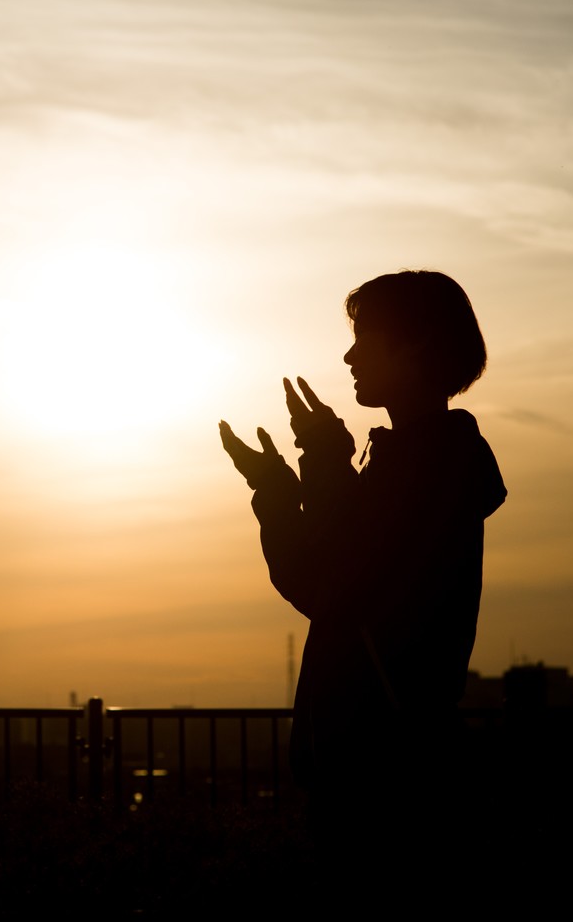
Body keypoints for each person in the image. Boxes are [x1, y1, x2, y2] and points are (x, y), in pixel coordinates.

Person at [219, 269, 505, 894]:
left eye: (365, 337)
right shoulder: (425, 463)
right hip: (393, 762)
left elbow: (328, 585)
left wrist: (289, 482)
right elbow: (345, 563)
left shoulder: (425, 470)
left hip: (383, 775)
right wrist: (312, 464)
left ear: (416, 344)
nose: (349, 355)